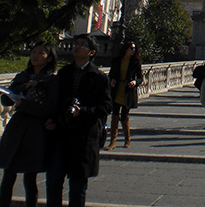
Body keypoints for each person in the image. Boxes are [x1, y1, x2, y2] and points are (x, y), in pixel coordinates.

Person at [46, 34, 112, 207]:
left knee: (77, 186)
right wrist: (53, 119)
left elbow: (106, 107)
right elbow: (55, 100)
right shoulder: (64, 73)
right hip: (62, 133)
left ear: (91, 52)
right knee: (53, 181)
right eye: (76, 43)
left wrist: (81, 112)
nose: (76, 46)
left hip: (83, 137)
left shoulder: (99, 77)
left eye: (82, 45)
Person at [0, 42, 58, 207]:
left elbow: (50, 107)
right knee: (9, 172)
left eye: (41, 53)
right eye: (34, 52)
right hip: (17, 127)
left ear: (49, 58)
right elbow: (6, 99)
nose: (36, 56)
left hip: (36, 129)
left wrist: (24, 104)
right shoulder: (23, 76)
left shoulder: (51, 80)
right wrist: (24, 87)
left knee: (30, 175)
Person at [106, 42, 143, 150]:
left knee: (124, 115)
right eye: (131, 48)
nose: (133, 50)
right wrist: (112, 80)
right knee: (115, 114)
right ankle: (112, 141)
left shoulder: (135, 62)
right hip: (118, 89)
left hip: (128, 91)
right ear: (126, 49)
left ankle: (127, 139)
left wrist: (135, 82)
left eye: (134, 49)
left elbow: (140, 78)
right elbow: (111, 74)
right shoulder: (117, 60)